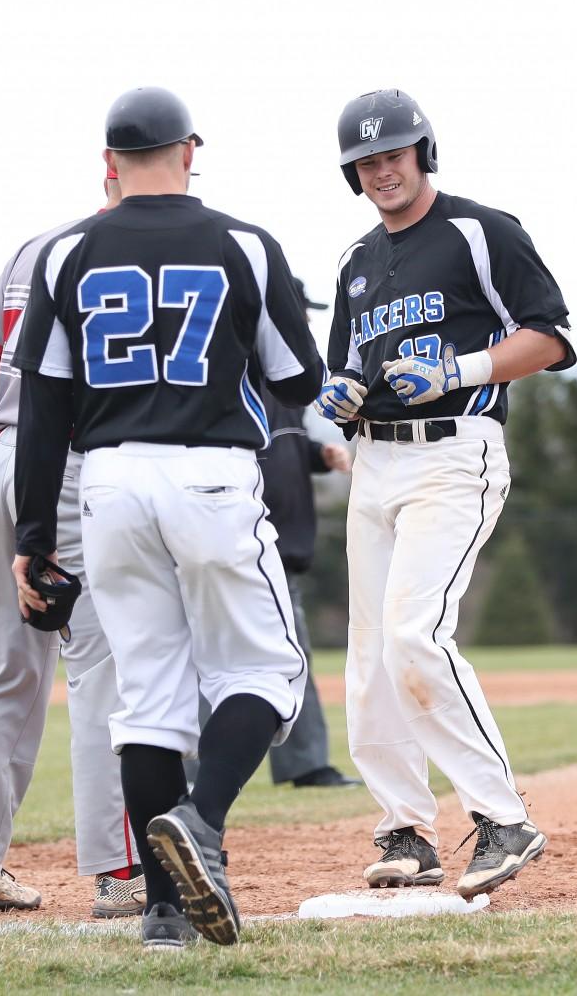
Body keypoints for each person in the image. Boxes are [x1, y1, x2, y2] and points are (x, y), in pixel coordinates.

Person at [10, 87, 324, 949]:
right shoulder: (245, 245)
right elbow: (299, 379)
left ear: (108, 162)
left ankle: (161, 912)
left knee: (146, 699)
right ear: (191, 149)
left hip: (107, 481)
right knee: (269, 671)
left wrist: (33, 538)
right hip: (211, 475)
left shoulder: (68, 249)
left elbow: (41, 406)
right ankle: (201, 818)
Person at [316, 88, 576, 898]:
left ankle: (502, 819)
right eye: (365, 160)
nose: (381, 169)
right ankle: (405, 831)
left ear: (422, 151)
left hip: (453, 453)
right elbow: (346, 369)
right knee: (368, 658)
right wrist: (340, 398)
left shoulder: (478, 230)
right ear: (351, 174)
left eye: (393, 152)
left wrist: (459, 370)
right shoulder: (354, 263)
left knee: (413, 633)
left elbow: (551, 336)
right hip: (375, 464)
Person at [0, 164, 145, 919]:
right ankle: (121, 874)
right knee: (102, 665)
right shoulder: (135, 252)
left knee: (3, 674)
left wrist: (1, 471)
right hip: (69, 464)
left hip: (1, 455)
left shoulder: (35, 248)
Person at [262, 278, 361, 789]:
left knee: (292, 654)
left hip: (283, 545)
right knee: (207, 658)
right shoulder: (243, 372)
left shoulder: (287, 384)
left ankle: (305, 763)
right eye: (299, 312)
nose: (305, 322)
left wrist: (317, 456)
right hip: (250, 541)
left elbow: (282, 450)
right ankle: (184, 772)